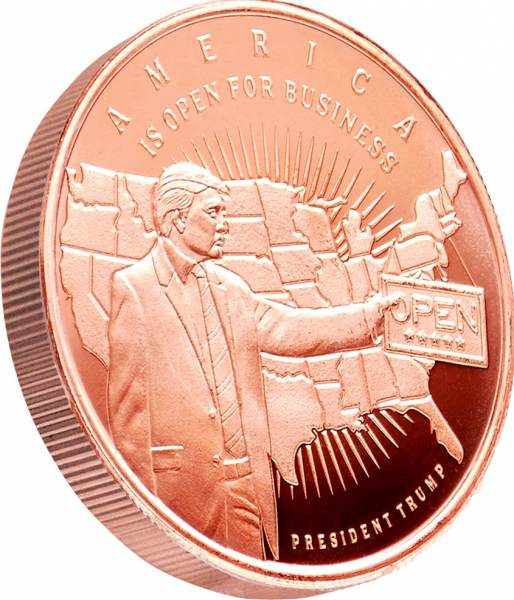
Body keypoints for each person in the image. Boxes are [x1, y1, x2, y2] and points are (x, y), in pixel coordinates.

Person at [107, 163, 398, 560]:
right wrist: (141, 513)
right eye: (213, 212)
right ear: (177, 218)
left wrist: (370, 318)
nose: (225, 224)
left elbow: (289, 328)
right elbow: (128, 419)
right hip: (181, 493)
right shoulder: (134, 288)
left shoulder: (231, 289)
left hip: (246, 485)